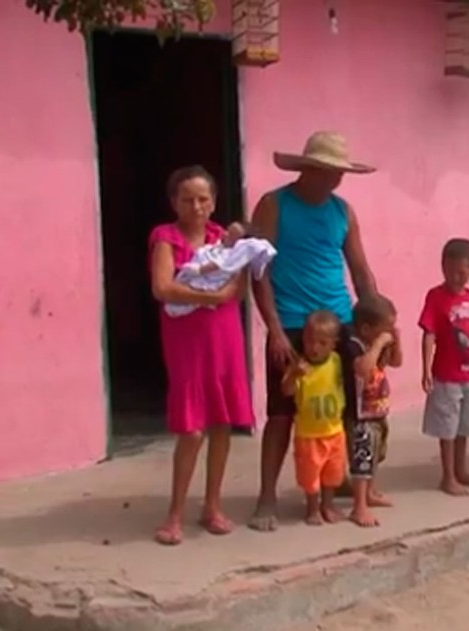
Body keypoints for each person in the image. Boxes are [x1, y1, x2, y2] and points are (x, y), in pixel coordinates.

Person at [248, 132, 378, 532]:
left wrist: (376, 323)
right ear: (305, 169)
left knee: (353, 411)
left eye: (337, 173)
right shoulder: (274, 205)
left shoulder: (343, 211)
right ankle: (267, 497)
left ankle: (345, 489)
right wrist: (273, 328)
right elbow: (258, 270)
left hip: (338, 321)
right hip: (291, 323)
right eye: (324, 172)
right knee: (283, 413)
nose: (331, 180)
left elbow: (359, 269)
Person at [148, 165, 254, 546]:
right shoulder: (165, 237)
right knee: (191, 430)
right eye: (188, 199)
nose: (196, 206)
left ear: (214, 202)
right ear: (174, 202)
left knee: (222, 423)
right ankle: (174, 514)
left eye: (203, 198)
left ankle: (212, 506)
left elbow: (238, 286)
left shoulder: (223, 239)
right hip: (186, 342)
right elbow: (163, 288)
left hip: (223, 337)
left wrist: (218, 295)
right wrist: (210, 297)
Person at [419, 238, 469, 496]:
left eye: (462, 271)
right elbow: (429, 334)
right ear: (442, 267)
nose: (456, 276)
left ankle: (461, 469)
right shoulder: (435, 297)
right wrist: (425, 369)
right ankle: (447, 476)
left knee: (464, 426)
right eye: (450, 270)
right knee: (446, 427)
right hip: (446, 375)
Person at [281, 310, 347, 525]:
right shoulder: (300, 367)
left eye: (322, 343)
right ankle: (312, 508)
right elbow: (287, 391)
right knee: (310, 475)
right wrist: (293, 375)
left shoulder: (336, 362)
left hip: (334, 431)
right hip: (309, 435)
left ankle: (327, 505)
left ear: (333, 345)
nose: (315, 348)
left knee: (332, 473)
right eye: (310, 341)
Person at [347, 294, 401, 527]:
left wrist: (395, 342)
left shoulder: (376, 346)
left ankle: (370, 492)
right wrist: (378, 345)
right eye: (384, 328)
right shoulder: (355, 346)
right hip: (359, 415)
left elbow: (397, 362)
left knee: (377, 454)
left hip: (377, 412)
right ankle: (358, 506)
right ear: (367, 329)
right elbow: (363, 369)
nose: (388, 332)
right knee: (362, 459)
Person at [166, 221, 277, 317]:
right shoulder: (219, 245)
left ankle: (184, 305)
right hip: (202, 281)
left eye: (231, 236)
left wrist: (200, 269)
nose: (225, 234)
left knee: (195, 289)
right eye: (227, 231)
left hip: (210, 279)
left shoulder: (231, 256)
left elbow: (218, 265)